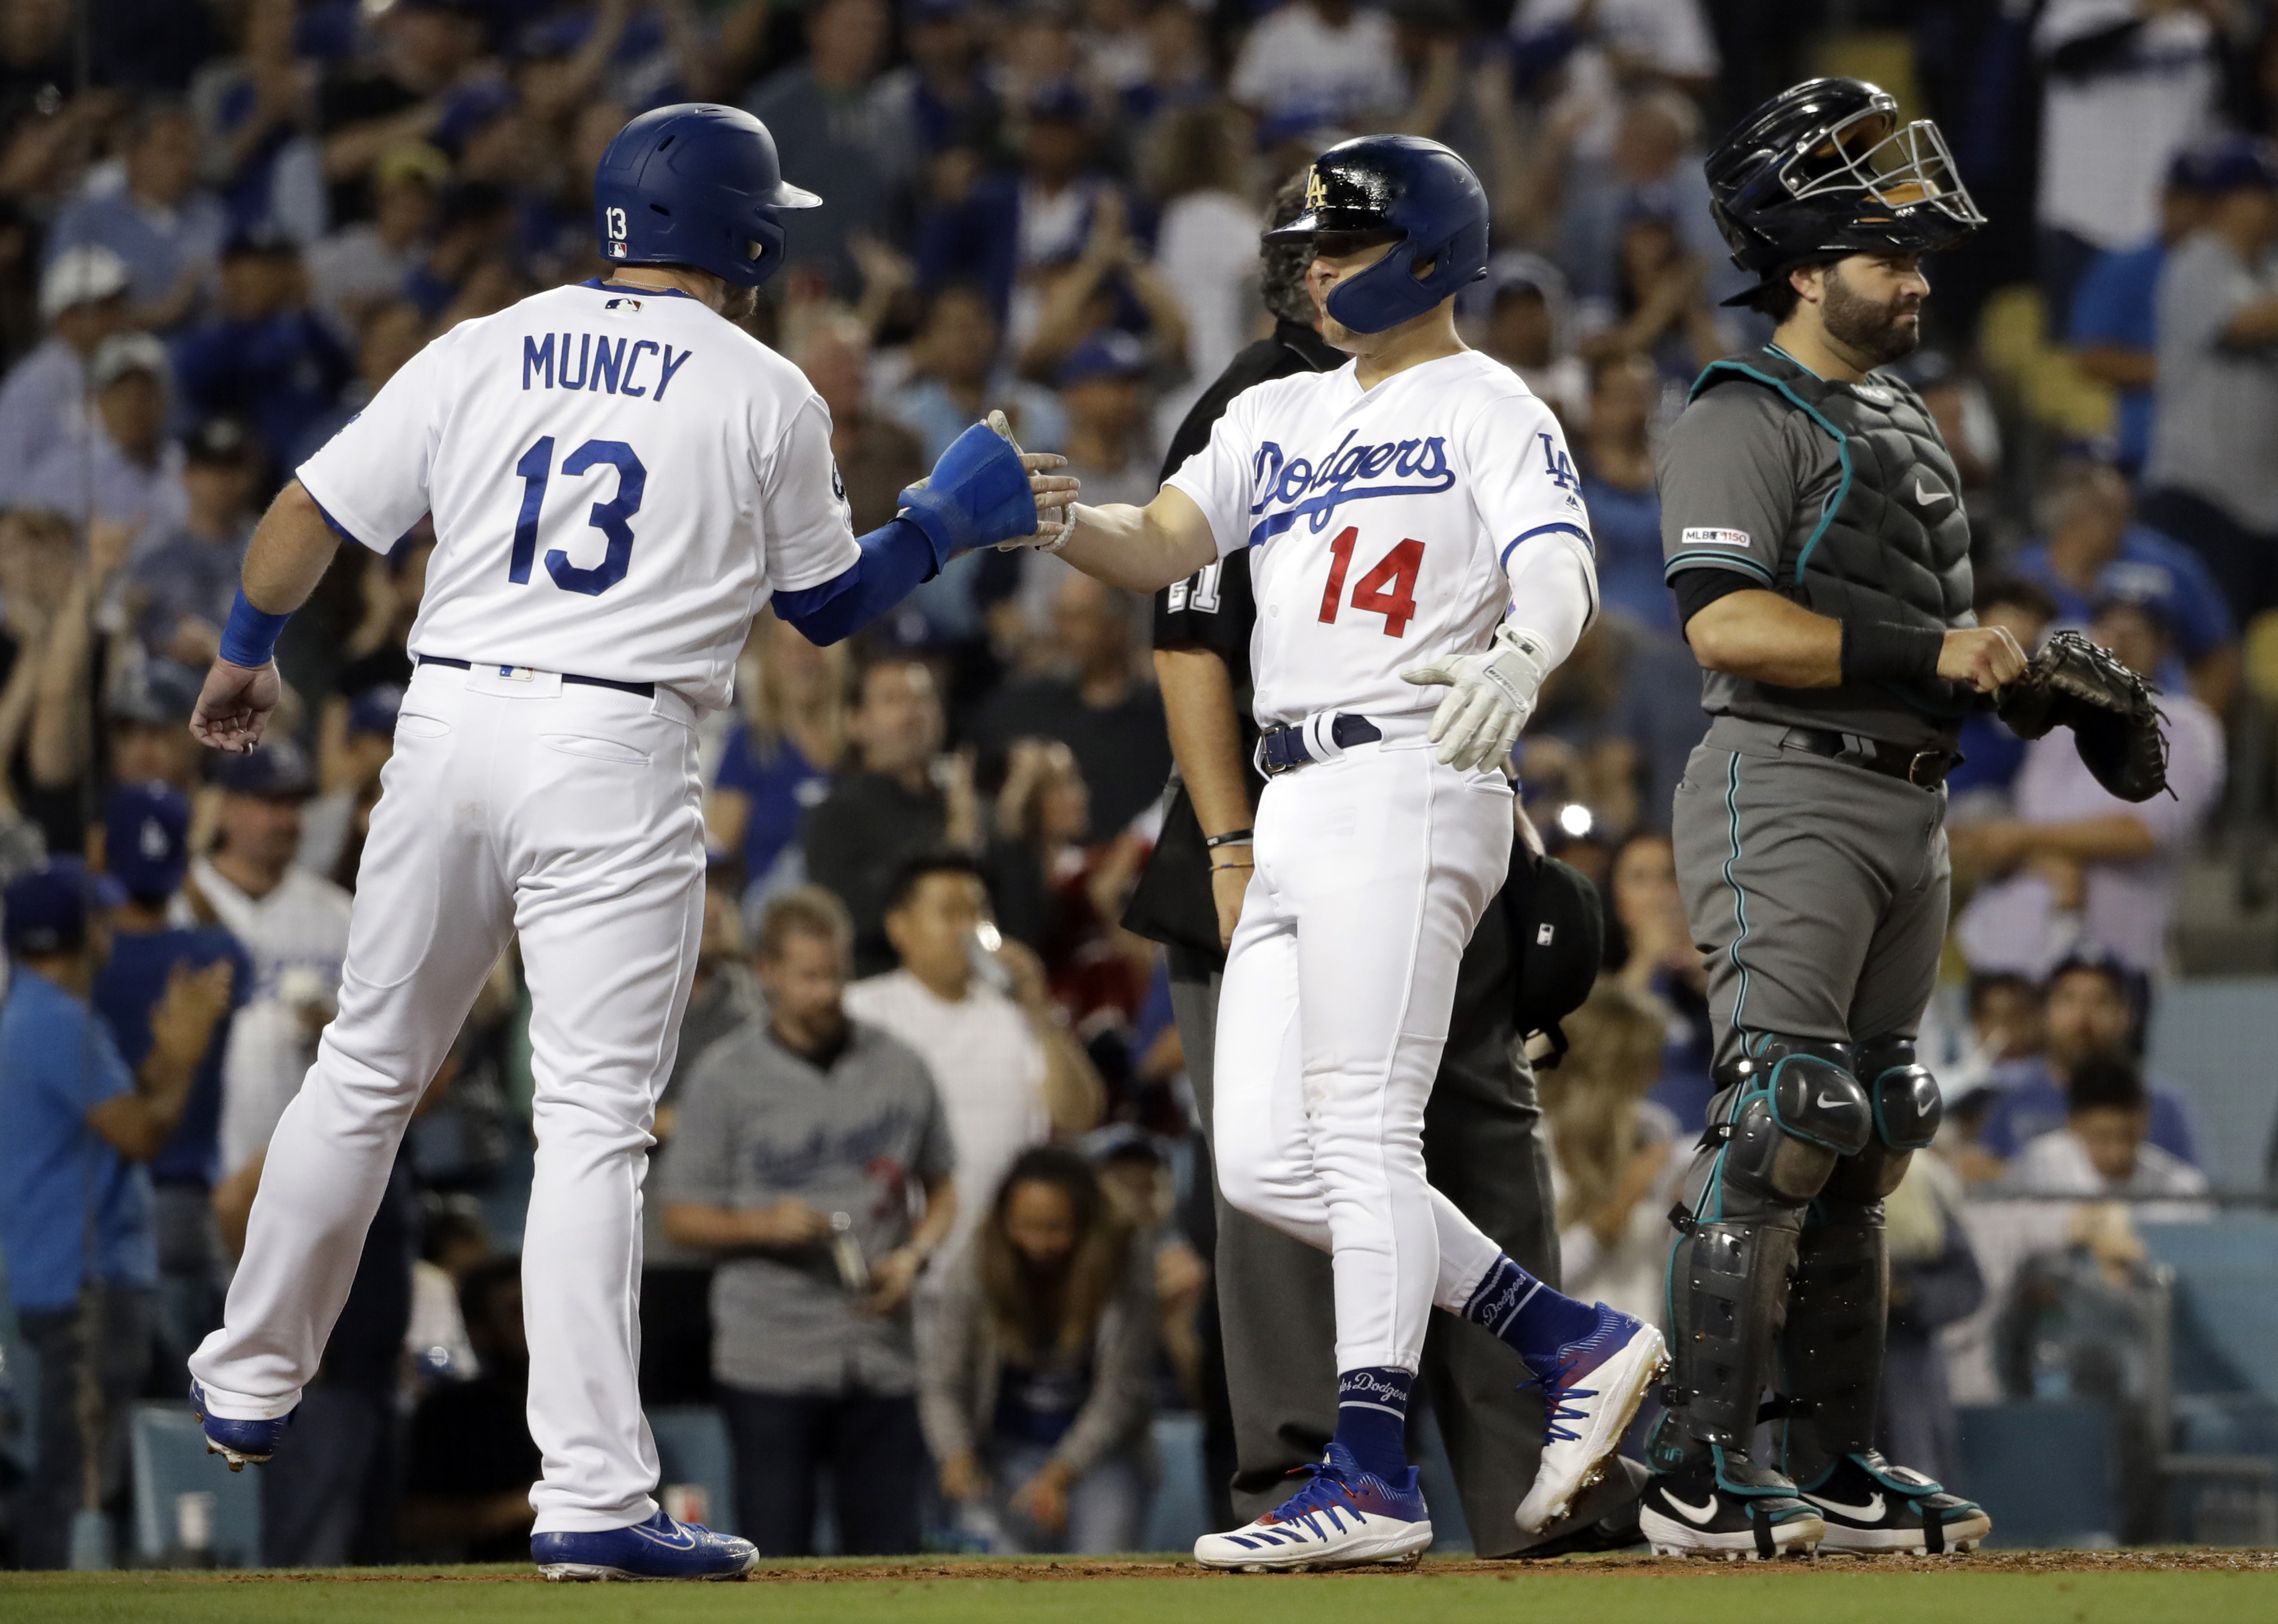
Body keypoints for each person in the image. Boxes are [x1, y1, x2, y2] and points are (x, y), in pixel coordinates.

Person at [179, 103, 1060, 1582]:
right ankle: (588, 1490)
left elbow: (306, 509)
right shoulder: (765, 388)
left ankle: (247, 1371)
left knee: (368, 1066)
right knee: (588, 1122)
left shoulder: (481, 344)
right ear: (748, 234)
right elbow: (826, 609)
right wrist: (939, 526)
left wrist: (245, 648)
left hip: (448, 720)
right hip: (616, 744)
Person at [1017, 132, 1665, 1568]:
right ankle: (1568, 1336)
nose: (1314, 268)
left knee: (1361, 1135)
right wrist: (1054, 518)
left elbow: (1559, 561)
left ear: (1428, 252)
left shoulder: (1489, 396)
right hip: (1289, 791)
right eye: (1308, 247)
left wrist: (1520, 650)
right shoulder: (1278, 412)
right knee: (1258, 1161)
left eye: (1343, 246)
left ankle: (1369, 1469)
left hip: (1413, 766)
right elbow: (1161, 543)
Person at [1645, 78, 2006, 1557]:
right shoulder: (1745, 408)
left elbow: (1922, 621)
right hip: (1786, 778)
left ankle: (1839, 1460)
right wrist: (1936, 661)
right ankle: (1692, 1461)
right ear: (1801, 263)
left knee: (1872, 1131)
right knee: (1784, 1111)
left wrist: (2034, 688)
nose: (1915, 278)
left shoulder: (1907, 413)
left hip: (1908, 795)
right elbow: (1724, 625)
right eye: (1885, 253)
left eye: (1916, 254)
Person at [664, 886, 958, 1557]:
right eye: (809, 976)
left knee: (890, 1561)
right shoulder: (723, 1076)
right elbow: (681, 1217)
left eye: (836, 973)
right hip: (771, 1353)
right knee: (774, 1555)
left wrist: (915, 1255)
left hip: (881, 1351)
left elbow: (943, 1187)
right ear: (766, 971)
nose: (828, 991)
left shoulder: (897, 1064)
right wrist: (762, 1225)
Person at [0, 860, 234, 1569]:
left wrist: (166, 1056)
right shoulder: (56, 1020)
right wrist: (186, 1059)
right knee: (81, 1475)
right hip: (86, 1283)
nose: (110, 932)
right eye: (99, 921)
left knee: (101, 1463)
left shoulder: (36, 1014)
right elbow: (141, 1132)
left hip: (73, 1277)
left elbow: (123, 1112)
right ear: (80, 934)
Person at [844, 853, 1104, 1274]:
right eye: (949, 912)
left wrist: (1039, 1011)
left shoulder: (1017, 1016)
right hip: (903, 1256)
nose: (967, 927)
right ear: (899, 926)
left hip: (1005, 1267)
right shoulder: (862, 1011)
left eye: (979, 911)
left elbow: (1078, 1117)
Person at [1952, 590, 2225, 980]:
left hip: (2114, 960)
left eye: (2134, 632)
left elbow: (2143, 832)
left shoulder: (2189, 726)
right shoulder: (2056, 720)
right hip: (2005, 955)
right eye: (2107, 630)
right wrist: (2036, 853)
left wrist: (2020, 840)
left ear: (2163, 645)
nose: (2116, 644)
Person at [921, 1145, 1159, 1553]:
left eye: (1056, 1227)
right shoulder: (975, 1265)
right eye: (1026, 1225)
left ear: (1086, 1223)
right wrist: (955, 1454)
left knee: (1105, 1573)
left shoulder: (1125, 1265)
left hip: (1102, 1459)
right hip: (1002, 1453)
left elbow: (1120, 1393)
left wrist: (1059, 1475)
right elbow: (942, 1380)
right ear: (1004, 1220)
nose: (1040, 1243)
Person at [90, 783, 252, 1374]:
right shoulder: (217, 955)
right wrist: (189, 872)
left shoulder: (88, 960)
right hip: (187, 1210)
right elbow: (236, 941)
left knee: (116, 1420)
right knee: (200, 1424)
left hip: (107, 1205)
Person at [2139, 136, 2278, 622]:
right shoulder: (2197, 260)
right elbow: (2241, 324)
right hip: (2198, 496)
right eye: (2264, 193)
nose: (2273, 206)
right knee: (2189, 643)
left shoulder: (2269, 270)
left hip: (2261, 502)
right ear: (2229, 201)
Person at [2008, 459, 2235, 712]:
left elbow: (2219, 657)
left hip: (2157, 716)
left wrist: (2194, 722)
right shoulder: (2023, 575)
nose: (2119, 523)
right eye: (2102, 511)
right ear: (2067, 519)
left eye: (2122, 510)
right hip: (2055, 721)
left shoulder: (2167, 567)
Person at [804, 656, 981, 976]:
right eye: (893, 700)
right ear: (855, 722)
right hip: (881, 987)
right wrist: (951, 845)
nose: (913, 712)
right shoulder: (837, 814)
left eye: (924, 698)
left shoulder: (967, 802)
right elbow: (848, 919)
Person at [976, 570, 1170, 836]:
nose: (1063, 633)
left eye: (1080, 618)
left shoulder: (1164, 717)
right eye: (1060, 618)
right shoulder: (1020, 708)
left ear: (1118, 628)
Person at [1540, 981, 1686, 1328]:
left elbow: (1658, 1267)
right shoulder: (1533, 1142)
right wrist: (1607, 1220)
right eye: (1646, 1062)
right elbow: (1528, 1289)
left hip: (1649, 1354)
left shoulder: (1655, 1129)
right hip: (1564, 1363)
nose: (1659, 1075)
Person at [1973, 954, 2199, 1169]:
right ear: (2045, 1013)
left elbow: (2191, 1197)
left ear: (2126, 1016)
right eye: (2068, 998)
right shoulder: (2009, 1098)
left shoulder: (2162, 1105)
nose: (2083, 1016)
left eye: (2101, 1000)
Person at [399, 1257, 546, 1562]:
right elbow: (413, 1523)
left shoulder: (581, 1400)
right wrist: (531, 1504)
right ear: (479, 1330)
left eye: (542, 1308)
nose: (537, 1323)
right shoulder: (452, 1412)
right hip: (491, 1570)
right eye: (517, 1312)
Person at [705, 613, 846, 894]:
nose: (803, 661)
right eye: (789, 649)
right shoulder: (748, 745)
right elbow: (719, 850)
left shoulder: (857, 747)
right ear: (769, 660)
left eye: (814, 647)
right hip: (769, 914)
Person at [2003, 1050, 2212, 1220]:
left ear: (2146, 1121)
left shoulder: (2183, 1190)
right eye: (2102, 1137)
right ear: (2074, 1126)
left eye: (2128, 1135)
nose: (2117, 1153)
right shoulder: (2037, 1172)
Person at [0, 245, 130, 505]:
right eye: (102, 307)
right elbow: (8, 481)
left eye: (117, 304)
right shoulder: (31, 385)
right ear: (62, 317)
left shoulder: (132, 367)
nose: (115, 317)